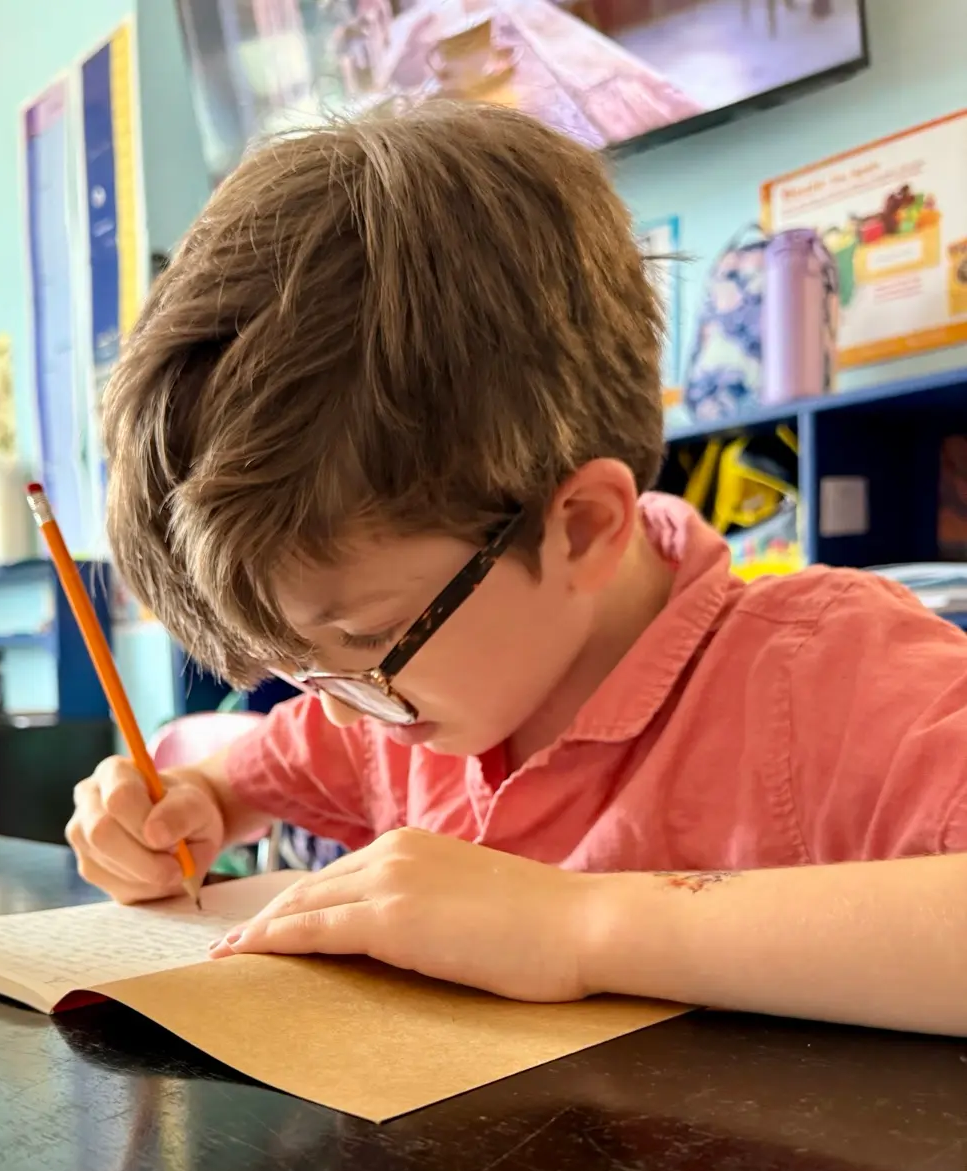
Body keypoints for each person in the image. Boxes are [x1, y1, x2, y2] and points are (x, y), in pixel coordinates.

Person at [67, 100, 967, 1036]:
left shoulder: (822, 675)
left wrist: (581, 925)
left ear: (579, 528)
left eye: (366, 638)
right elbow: (236, 781)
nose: (339, 706)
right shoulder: (388, 712)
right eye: (301, 663)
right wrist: (175, 810)